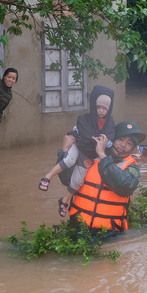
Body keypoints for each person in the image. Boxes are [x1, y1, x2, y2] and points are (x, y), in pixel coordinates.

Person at [38, 85, 115, 217]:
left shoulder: (110, 123)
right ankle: (47, 177)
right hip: (79, 146)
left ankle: (64, 201)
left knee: (78, 179)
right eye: (98, 107)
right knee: (69, 160)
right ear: (94, 106)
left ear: (109, 109)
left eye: (105, 108)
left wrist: (104, 142)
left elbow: (110, 141)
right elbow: (77, 131)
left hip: (91, 153)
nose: (101, 111)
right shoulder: (84, 119)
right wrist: (72, 137)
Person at [68, 120, 144, 241]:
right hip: (79, 226)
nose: (123, 145)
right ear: (112, 139)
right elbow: (65, 179)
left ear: (132, 148)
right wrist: (65, 151)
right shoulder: (89, 157)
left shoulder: (132, 168)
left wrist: (102, 155)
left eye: (129, 143)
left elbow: (125, 185)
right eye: (120, 139)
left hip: (109, 232)